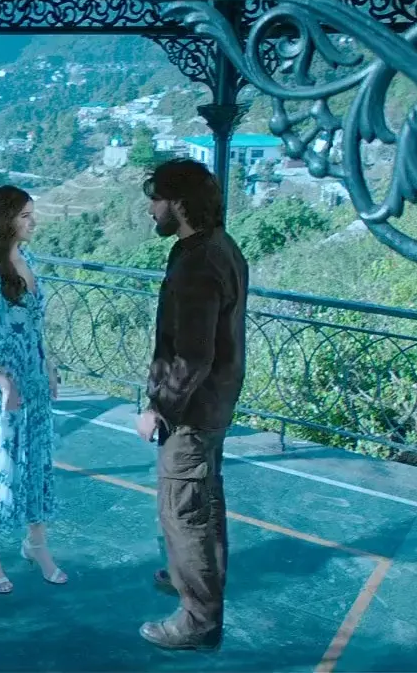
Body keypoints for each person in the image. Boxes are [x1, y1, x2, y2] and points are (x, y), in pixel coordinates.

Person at [134, 158, 249, 650]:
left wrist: (159, 407)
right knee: (204, 499)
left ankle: (198, 621)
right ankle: (194, 575)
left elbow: (192, 356)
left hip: (192, 410)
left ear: (179, 203)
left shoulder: (198, 263)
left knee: (182, 510)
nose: (151, 211)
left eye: (156, 200)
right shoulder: (219, 246)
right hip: (215, 401)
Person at [0, 185, 67, 595]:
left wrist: (48, 366)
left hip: (34, 380)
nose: (33, 222)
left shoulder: (29, 260)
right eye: (24, 216)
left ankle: (36, 543)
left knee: (36, 461)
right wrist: (0, 379)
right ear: (5, 221)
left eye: (32, 214)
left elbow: (35, 327)